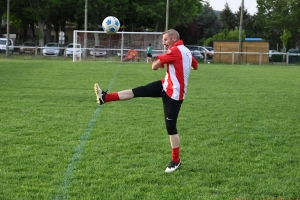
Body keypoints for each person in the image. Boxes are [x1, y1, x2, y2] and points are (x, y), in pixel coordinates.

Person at [94, 29, 198, 173]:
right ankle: (105, 98)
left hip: (174, 93)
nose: (164, 43)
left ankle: (176, 161)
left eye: (166, 40)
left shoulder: (174, 51)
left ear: (174, 38)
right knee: (138, 91)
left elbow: (153, 66)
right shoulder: (186, 50)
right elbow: (195, 65)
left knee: (171, 127)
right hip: (165, 84)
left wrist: (162, 62)